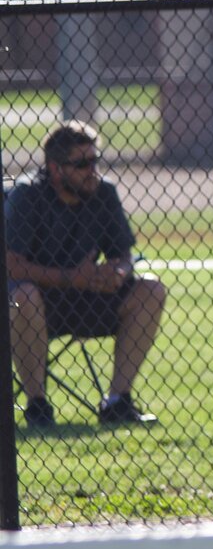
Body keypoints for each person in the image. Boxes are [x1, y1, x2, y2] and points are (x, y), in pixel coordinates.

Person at [6, 122, 166, 430]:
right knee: (23, 295)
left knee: (151, 291)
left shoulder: (104, 192)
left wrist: (117, 272)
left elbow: (123, 254)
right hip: (38, 304)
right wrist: (70, 277)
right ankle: (37, 404)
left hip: (89, 299)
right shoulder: (27, 195)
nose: (91, 170)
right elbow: (12, 266)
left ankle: (118, 401)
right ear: (55, 169)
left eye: (95, 161)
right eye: (81, 164)